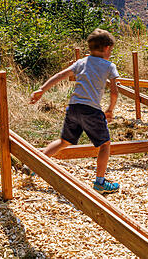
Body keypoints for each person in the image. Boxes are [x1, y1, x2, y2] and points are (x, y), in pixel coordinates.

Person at [29, 28, 120, 194]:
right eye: (111, 50)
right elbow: (114, 92)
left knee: (64, 141)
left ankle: (35, 163)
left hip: (74, 107)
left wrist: (41, 90)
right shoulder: (109, 66)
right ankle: (100, 182)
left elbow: (60, 75)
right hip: (91, 110)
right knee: (105, 144)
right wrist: (110, 109)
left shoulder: (82, 63)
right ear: (107, 48)